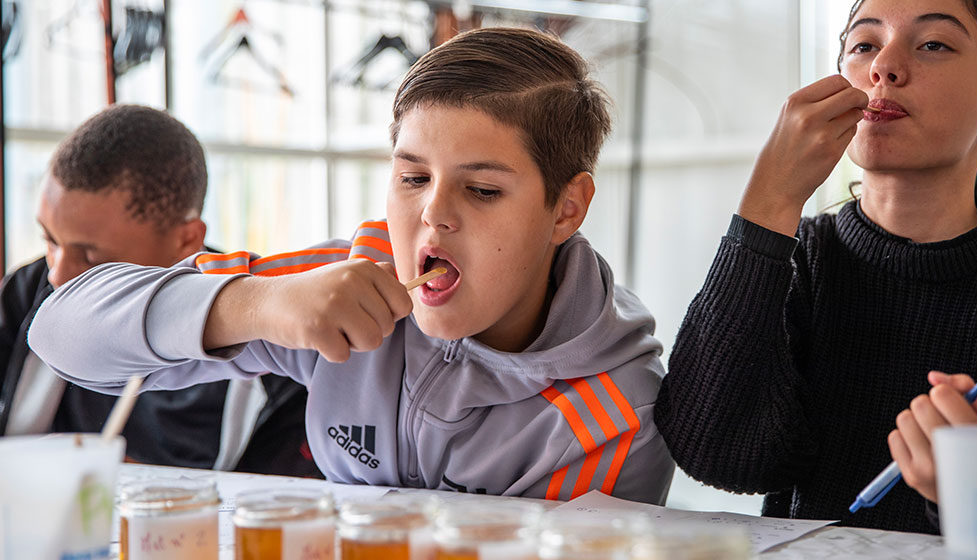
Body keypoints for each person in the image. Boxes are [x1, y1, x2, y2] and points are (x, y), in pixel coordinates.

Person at [28, 29, 674, 503]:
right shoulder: (344, 278)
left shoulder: (616, 415)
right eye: (413, 177)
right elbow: (60, 334)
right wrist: (260, 304)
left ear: (567, 208)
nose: (434, 215)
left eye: (482, 190)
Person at [655, 0, 977, 534]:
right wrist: (769, 198)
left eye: (933, 44)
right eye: (864, 45)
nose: (884, 66)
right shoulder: (795, 260)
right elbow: (716, 454)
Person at [2, 104, 319, 477]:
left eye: (90, 258)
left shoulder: (271, 338)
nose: (58, 275)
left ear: (186, 240)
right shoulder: (29, 293)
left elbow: (282, 506)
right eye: (50, 240)